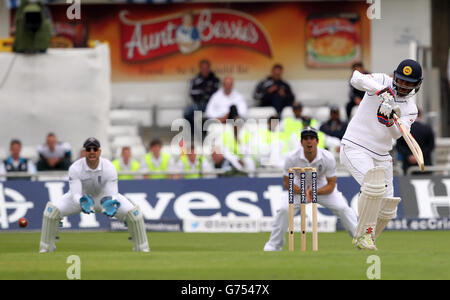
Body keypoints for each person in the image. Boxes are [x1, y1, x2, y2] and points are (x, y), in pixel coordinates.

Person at [340, 59, 423, 250]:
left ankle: (366, 241)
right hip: (355, 146)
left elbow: (397, 134)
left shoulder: (410, 108)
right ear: (395, 77)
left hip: (382, 153)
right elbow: (356, 78)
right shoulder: (381, 80)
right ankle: (363, 235)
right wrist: (381, 90)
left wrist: (390, 121)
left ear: (416, 85)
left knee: (388, 207)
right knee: (373, 185)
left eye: (408, 83)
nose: (403, 86)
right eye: (401, 80)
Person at [39, 137, 149, 253]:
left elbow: (113, 193)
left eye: (94, 149)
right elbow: (74, 193)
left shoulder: (109, 167)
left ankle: (142, 249)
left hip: (104, 198)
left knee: (135, 215)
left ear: (99, 152)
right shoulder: (75, 168)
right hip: (81, 198)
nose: (92, 152)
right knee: (50, 212)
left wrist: (111, 201)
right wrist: (81, 201)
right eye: (89, 149)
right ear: (85, 151)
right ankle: (46, 248)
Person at [263, 127, 357, 251]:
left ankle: (361, 241)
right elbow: (287, 182)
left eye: (312, 138)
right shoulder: (292, 157)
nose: (309, 142)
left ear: (317, 141)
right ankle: (273, 245)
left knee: (343, 209)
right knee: (284, 210)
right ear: (301, 142)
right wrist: (302, 192)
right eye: (306, 139)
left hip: (321, 185)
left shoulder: (327, 157)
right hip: (299, 185)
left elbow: (331, 184)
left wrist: (314, 192)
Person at [184, 59, 220, 137]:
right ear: (200, 69)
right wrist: (203, 91)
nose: (205, 70)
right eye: (203, 68)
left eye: (206, 68)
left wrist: (204, 91)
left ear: (209, 68)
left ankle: (213, 134)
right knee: (187, 112)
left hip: (213, 105)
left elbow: (217, 94)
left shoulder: (215, 80)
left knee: (223, 111)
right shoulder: (195, 80)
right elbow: (191, 92)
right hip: (199, 104)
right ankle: (195, 133)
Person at [396, 109, 435, 175]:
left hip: (408, 164)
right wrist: (419, 156)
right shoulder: (427, 128)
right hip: (425, 164)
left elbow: (399, 146)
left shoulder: (403, 129)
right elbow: (431, 146)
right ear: (420, 115)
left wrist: (409, 155)